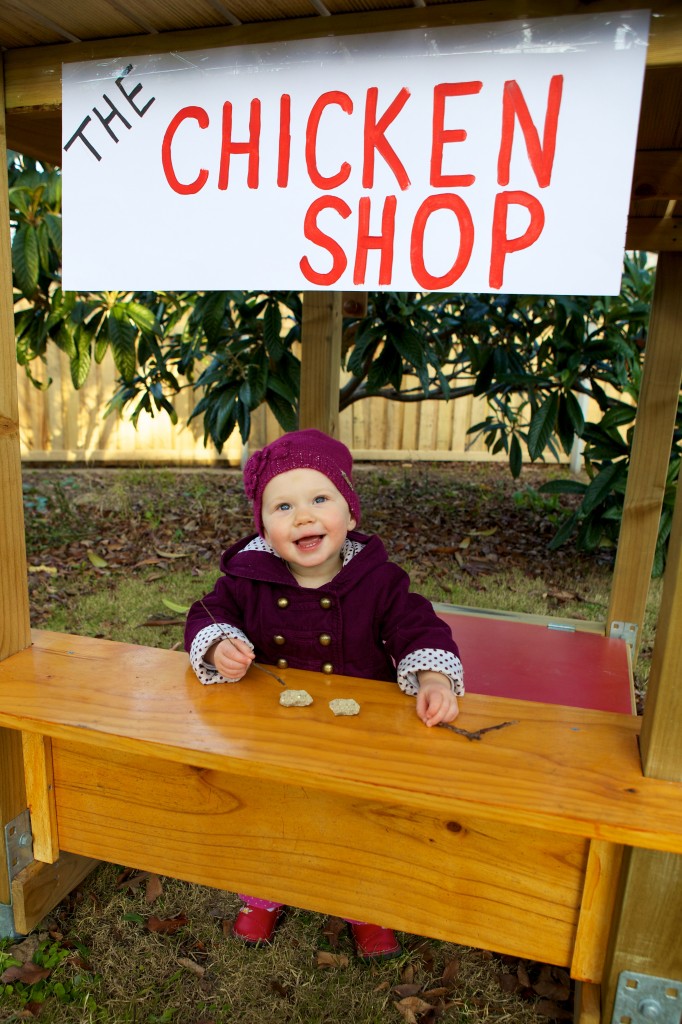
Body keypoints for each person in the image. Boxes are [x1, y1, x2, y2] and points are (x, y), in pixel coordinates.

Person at [185, 428, 464, 958]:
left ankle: (364, 902)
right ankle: (265, 892)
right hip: (275, 731)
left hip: (358, 733)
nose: (304, 517)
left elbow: (419, 629)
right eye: (283, 506)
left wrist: (433, 677)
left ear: (350, 513)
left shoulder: (379, 581)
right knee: (272, 808)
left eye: (320, 499)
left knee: (361, 817)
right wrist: (221, 642)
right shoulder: (249, 579)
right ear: (264, 527)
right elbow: (208, 612)